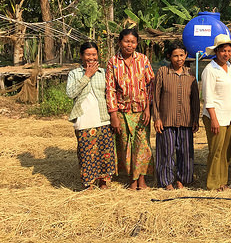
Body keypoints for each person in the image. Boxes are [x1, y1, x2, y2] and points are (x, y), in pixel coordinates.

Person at [106, 28, 155, 190]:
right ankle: (132, 181)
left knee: (142, 146)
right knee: (126, 146)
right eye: (126, 41)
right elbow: (110, 89)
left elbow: (150, 85)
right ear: (120, 42)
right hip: (122, 112)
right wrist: (113, 115)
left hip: (142, 111)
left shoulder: (143, 60)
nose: (130, 45)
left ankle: (142, 180)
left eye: (133, 42)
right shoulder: (113, 62)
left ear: (137, 43)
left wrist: (148, 109)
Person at [67, 42, 115, 190]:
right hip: (84, 118)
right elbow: (70, 93)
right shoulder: (74, 74)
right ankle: (88, 183)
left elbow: (110, 94)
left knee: (105, 152)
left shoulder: (104, 73)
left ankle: (103, 181)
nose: (91, 58)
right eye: (88, 55)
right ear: (82, 56)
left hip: (103, 117)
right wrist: (87, 76)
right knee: (86, 153)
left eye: (94, 54)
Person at [152, 41, 200, 190]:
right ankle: (166, 181)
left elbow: (195, 99)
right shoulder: (162, 72)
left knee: (185, 152)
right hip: (166, 120)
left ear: (186, 55)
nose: (179, 59)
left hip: (186, 120)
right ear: (169, 57)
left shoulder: (190, 74)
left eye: (181, 55)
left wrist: (195, 118)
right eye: (175, 56)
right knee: (166, 152)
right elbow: (155, 96)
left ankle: (182, 180)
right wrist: (157, 118)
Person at [201, 34, 231, 191]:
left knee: (227, 151)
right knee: (216, 151)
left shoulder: (230, 68)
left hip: (230, 117)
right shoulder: (210, 70)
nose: (227, 54)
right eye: (223, 51)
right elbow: (208, 97)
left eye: (229, 51)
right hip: (216, 117)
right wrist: (214, 119)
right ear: (216, 52)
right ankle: (212, 184)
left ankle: (223, 181)